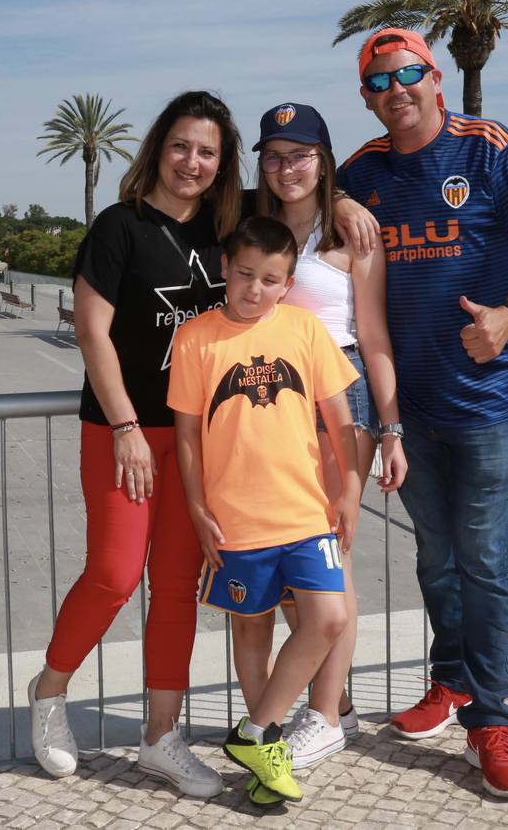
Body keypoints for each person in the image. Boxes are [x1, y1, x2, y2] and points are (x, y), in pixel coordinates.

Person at [336, 28, 508, 799]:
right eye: (379, 81)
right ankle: (453, 683)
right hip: (409, 408)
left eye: (408, 74)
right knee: (434, 560)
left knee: (485, 561)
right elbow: (303, 202)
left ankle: (492, 721)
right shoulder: (363, 172)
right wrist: (336, 196)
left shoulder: (490, 148)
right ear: (366, 97)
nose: (395, 89)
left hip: (484, 402)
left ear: (437, 78)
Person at [26, 90, 243, 798]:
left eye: (207, 152)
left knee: (178, 587)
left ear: (222, 163)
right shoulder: (119, 226)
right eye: (181, 146)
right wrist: (124, 428)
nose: (192, 162)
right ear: (159, 148)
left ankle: (160, 738)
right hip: (122, 432)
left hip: (192, 437)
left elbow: (301, 217)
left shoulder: (227, 235)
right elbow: (93, 331)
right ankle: (50, 690)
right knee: (115, 576)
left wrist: (348, 208)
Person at [169, 216, 362, 806]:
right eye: (246, 274)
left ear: (288, 283)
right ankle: (266, 756)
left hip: (305, 511)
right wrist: (198, 507)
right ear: (226, 268)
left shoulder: (305, 331)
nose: (255, 289)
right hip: (235, 518)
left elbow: (342, 420)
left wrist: (349, 490)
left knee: (326, 618)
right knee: (250, 630)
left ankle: (254, 732)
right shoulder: (196, 338)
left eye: (271, 279)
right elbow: (186, 435)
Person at [249, 102, 407, 769]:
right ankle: (330, 699)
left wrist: (393, 429)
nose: (288, 169)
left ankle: (322, 716)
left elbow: (373, 336)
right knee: (291, 562)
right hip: (270, 401)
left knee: (326, 557)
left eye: (302, 155)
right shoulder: (252, 229)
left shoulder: (354, 237)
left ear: (324, 159)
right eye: (275, 156)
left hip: (337, 396)